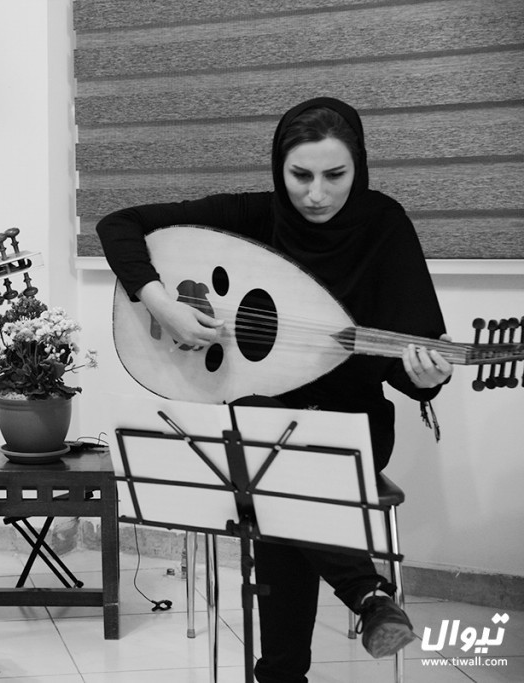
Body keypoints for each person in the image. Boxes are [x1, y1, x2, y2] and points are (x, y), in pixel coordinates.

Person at [97, 97, 453, 683]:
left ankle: (288, 669)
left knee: (271, 471)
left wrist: (424, 376)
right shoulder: (256, 218)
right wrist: (162, 303)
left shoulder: (383, 226)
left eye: (335, 175)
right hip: (263, 419)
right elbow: (119, 225)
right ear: (278, 168)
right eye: (300, 175)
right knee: (268, 449)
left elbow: (404, 359)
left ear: (359, 167)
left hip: (353, 424)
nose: (316, 194)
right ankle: (367, 597)